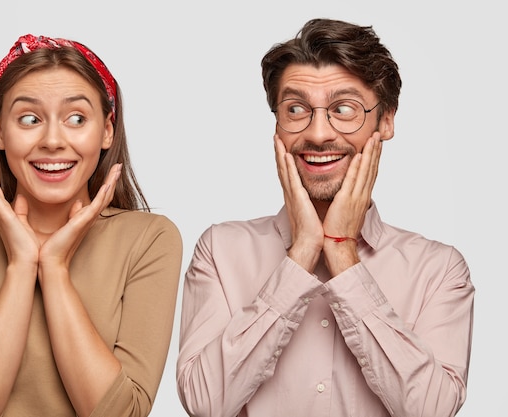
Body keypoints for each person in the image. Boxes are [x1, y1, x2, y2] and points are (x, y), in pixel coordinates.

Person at [176, 18, 474, 417]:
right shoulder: (219, 250)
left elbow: (433, 410)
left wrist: (343, 255)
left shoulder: (439, 269)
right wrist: (300, 257)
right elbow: (204, 404)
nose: (318, 134)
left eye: (344, 109)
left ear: (385, 120)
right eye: (295, 108)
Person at [0, 34, 182, 417]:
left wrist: (54, 269)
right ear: (0, 130)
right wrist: (22, 266)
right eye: (29, 119)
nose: (53, 140)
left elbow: (122, 414)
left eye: (76, 119)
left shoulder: (150, 239)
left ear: (107, 130)